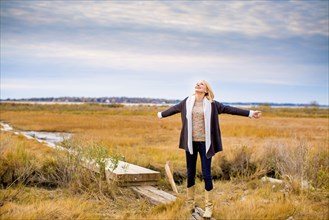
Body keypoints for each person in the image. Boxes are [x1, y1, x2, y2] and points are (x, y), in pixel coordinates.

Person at [157, 80, 261, 218]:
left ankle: (208, 207)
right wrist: (160, 114)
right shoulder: (187, 102)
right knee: (190, 173)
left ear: (206, 90)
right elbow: (174, 109)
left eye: (201, 84)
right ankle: (190, 203)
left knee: (206, 174)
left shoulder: (213, 105)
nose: (198, 84)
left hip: (206, 144)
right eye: (197, 83)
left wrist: (250, 113)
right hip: (191, 143)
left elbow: (231, 109)